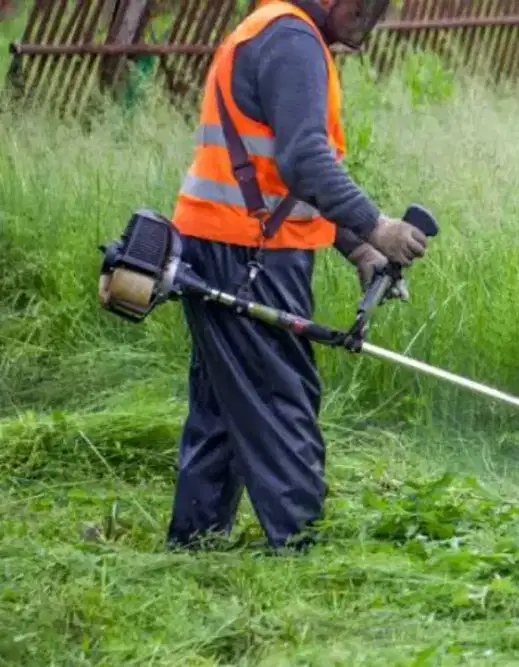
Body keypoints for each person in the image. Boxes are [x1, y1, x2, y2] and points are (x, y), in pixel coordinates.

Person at [164, 0, 427, 551]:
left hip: (227, 242)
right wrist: (376, 226)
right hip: (248, 252)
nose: (369, 21)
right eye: (364, 9)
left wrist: (357, 250)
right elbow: (304, 159)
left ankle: (196, 542)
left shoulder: (279, 30)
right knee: (280, 398)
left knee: (223, 404)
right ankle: (300, 546)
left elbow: (285, 181)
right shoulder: (292, 41)